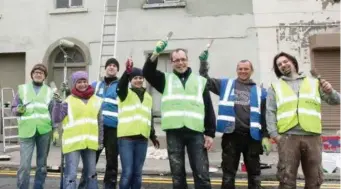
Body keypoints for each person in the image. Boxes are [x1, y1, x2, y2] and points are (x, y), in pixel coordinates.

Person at [143, 40, 216, 189]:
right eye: (176, 60)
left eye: (183, 59)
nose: (180, 63)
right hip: (174, 132)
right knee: (177, 176)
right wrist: (155, 54)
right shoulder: (165, 79)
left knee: (202, 174)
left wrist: (210, 133)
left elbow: (208, 107)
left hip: (196, 133)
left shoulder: (199, 81)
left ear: (187, 61)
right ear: (171, 63)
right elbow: (147, 72)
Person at [266, 52, 340, 188]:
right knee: (286, 180)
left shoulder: (314, 82)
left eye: (285, 61)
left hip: (312, 137)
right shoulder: (275, 87)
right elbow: (270, 112)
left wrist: (330, 91)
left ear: (293, 62)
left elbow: (336, 101)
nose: (283, 65)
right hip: (288, 138)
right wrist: (275, 135)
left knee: (314, 180)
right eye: (279, 64)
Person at [199, 50, 271, 189]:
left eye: (246, 69)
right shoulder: (226, 85)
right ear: (236, 70)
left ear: (252, 71)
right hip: (231, 136)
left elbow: (264, 116)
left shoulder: (260, 91)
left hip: (252, 138)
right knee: (228, 174)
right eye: (240, 69)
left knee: (254, 174)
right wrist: (203, 64)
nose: (243, 71)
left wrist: (265, 136)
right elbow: (204, 80)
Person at [52, 71, 103, 189]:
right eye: (79, 82)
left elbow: (100, 122)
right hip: (72, 144)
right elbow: (57, 118)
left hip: (90, 143)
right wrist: (57, 104)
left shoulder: (96, 100)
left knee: (91, 174)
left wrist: (100, 141)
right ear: (74, 84)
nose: (82, 84)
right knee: (71, 175)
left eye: (84, 81)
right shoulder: (68, 100)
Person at [116, 58, 160, 189]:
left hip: (142, 139)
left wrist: (153, 135)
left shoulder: (148, 97)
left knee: (137, 173)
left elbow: (149, 117)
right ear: (131, 80)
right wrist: (127, 72)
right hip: (126, 139)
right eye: (135, 78)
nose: (139, 80)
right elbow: (120, 86)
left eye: (141, 78)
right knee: (127, 173)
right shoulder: (125, 94)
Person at [12, 63, 54, 189]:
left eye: (41, 73)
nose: (38, 74)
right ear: (32, 75)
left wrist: (55, 129)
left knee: (42, 165)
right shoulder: (22, 89)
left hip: (44, 131)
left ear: (44, 76)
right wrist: (17, 110)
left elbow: (53, 112)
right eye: (36, 72)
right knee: (24, 165)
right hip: (26, 130)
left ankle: (38, 187)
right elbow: (14, 108)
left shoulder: (49, 91)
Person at [85, 58, 120, 189]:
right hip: (96, 128)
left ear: (117, 70)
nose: (111, 67)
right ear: (105, 68)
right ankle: (89, 184)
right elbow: (82, 96)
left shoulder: (121, 86)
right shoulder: (95, 85)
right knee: (91, 159)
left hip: (113, 129)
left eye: (114, 66)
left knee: (111, 161)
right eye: (109, 65)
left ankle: (109, 186)